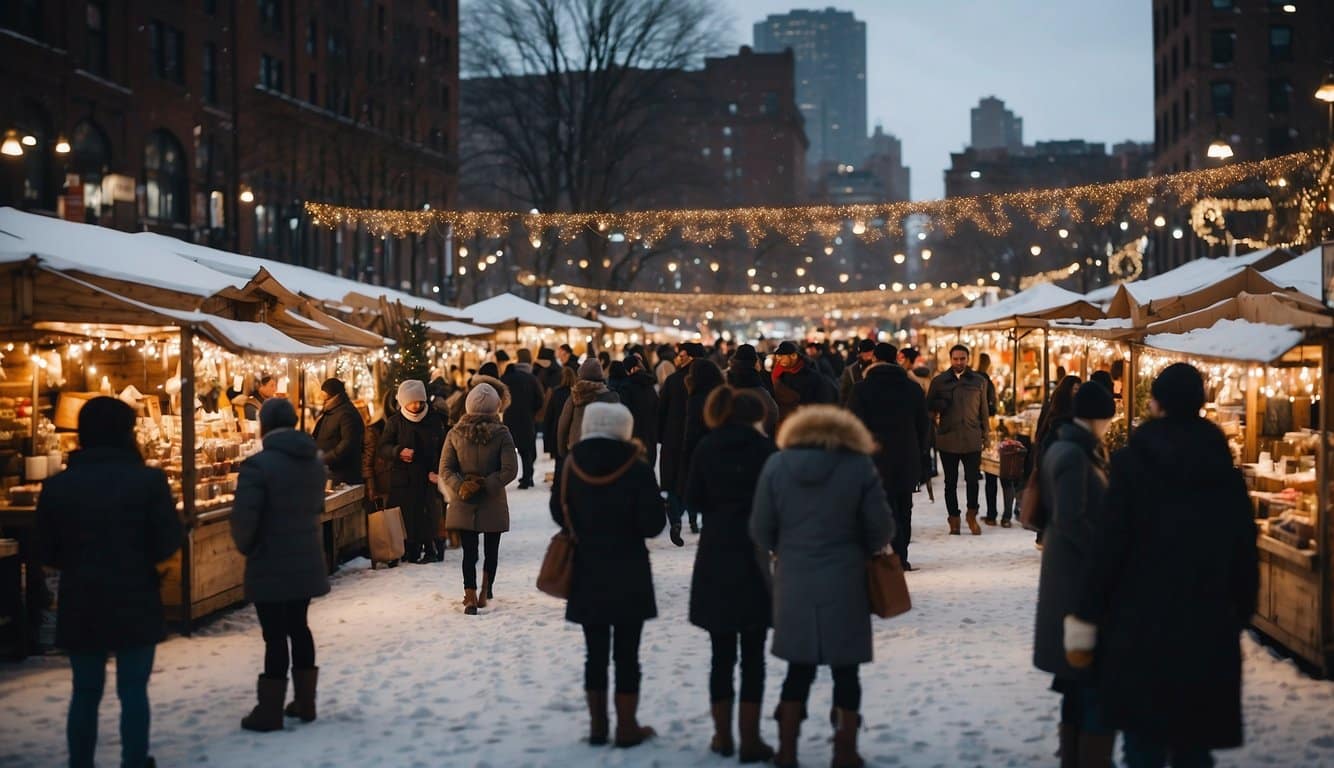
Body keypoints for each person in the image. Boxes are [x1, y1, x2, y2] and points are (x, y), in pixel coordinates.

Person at [1090, 364, 1258, 768]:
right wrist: (1238, 615)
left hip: (1139, 622)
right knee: (1193, 746)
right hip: (1205, 622)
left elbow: (1110, 546)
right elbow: (1243, 552)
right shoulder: (1223, 471)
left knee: (1143, 745)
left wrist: (1093, 610)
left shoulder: (1131, 465)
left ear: (1156, 402)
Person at [37, 396, 182, 767]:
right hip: (135, 594)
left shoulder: (58, 486)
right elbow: (167, 542)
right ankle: (134, 760)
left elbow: (46, 551)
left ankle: (80, 761)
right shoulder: (148, 481)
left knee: (84, 691)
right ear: (126, 432)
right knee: (133, 689)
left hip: (81, 597)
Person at [750, 405, 893, 768]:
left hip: (794, 577)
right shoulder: (859, 466)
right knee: (847, 668)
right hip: (845, 578)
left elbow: (761, 530)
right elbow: (881, 529)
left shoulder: (776, 466)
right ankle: (845, 750)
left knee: (798, 667)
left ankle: (787, 750)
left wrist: (787, 544)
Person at [550, 402, 667, 748]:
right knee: (627, 654)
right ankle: (627, 727)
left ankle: (598, 725)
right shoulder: (638, 466)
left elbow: (559, 510)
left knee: (595, 652)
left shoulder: (571, 463)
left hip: (587, 566)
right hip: (629, 566)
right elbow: (652, 525)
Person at [685, 388, 777, 762]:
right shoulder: (766, 451)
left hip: (716, 552)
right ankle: (750, 737)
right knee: (753, 655)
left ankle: (722, 735)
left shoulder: (707, 447)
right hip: (754, 553)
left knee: (720, 653)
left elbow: (692, 499)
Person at [231, 398, 331, 732]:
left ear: (264, 426)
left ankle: (269, 710)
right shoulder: (313, 462)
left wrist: (247, 546)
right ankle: (305, 702)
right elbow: (317, 505)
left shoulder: (257, 466)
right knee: (299, 626)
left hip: (270, 559)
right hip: (305, 556)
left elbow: (245, 520)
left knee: (274, 635)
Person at [1032, 381, 1117, 766]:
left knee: (1076, 678)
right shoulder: (1073, 454)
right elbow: (1070, 518)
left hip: (1070, 571)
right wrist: (1105, 554)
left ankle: (1072, 755)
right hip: (1076, 577)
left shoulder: (1070, 447)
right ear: (1099, 418)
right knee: (1088, 674)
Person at [439, 383, 518, 614]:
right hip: (493, 499)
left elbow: (445, 469)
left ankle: (469, 594)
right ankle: (485, 589)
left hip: (465, 501)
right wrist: (489, 483)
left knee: (469, 551)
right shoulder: (502, 433)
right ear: (496, 406)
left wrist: (462, 485)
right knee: (491, 549)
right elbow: (510, 469)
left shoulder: (455, 433)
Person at [850, 343, 929, 570]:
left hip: (873, 459)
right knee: (904, 507)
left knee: (879, 505)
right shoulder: (912, 389)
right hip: (906, 456)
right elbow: (924, 426)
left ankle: (884, 553)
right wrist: (920, 450)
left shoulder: (861, 389)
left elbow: (854, 426)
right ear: (896, 359)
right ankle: (901, 555)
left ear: (874, 359)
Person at [379, 380, 447, 564]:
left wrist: (438, 471)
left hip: (428, 476)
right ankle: (409, 550)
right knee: (406, 514)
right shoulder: (395, 422)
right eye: (412, 402)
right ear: (403, 402)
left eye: (420, 401)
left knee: (429, 514)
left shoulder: (434, 420)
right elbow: (383, 447)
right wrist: (398, 451)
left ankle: (431, 549)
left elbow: (443, 448)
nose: (416, 405)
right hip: (404, 478)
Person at [926, 345, 990, 536]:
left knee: (972, 480)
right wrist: (938, 410)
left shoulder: (978, 381)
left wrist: (986, 435)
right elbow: (928, 409)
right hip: (948, 439)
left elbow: (984, 411)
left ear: (968, 359)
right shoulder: (939, 382)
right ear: (950, 359)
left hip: (971, 438)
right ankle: (953, 518)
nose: (959, 362)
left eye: (962, 358)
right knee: (950, 482)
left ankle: (972, 515)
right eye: (956, 359)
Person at [675, 359, 724, 546]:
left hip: (700, 449)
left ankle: (695, 521)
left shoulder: (695, 397)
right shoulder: (722, 394)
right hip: (720, 449)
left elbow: (692, 428)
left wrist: (686, 454)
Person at [658, 342, 704, 536]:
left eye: (682, 354)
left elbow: (661, 411)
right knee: (692, 479)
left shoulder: (673, 380)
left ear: (691, 357)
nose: (678, 358)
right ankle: (693, 520)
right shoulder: (707, 381)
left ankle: (676, 519)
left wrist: (662, 436)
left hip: (674, 437)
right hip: (696, 438)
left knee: (675, 479)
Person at [558, 358, 621, 457]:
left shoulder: (575, 396)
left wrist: (562, 451)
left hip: (577, 448)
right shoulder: (611, 397)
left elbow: (563, 425)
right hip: (604, 449)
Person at [501, 348, 544, 489]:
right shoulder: (531, 378)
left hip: (510, 418)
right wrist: (533, 411)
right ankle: (528, 477)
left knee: (508, 448)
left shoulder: (506, 379)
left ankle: (503, 479)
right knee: (527, 450)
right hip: (527, 418)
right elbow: (540, 398)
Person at [311, 377, 365, 487]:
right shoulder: (330, 411)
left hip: (342, 474)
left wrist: (324, 458)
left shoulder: (346, 413)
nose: (321, 396)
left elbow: (347, 444)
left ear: (332, 394)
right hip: (330, 471)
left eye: (324, 393)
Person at [771, 341, 837, 426]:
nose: (779, 359)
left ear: (794, 356)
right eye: (778, 356)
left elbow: (823, 398)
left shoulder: (811, 375)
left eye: (782, 356)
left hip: (806, 421)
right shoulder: (777, 373)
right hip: (785, 422)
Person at [612, 354, 660, 470]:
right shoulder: (650, 385)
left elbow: (624, 411)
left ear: (631, 369)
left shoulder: (625, 387)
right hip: (650, 432)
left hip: (633, 432)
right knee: (649, 465)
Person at [976, 353, 1005, 526]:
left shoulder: (974, 379)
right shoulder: (986, 380)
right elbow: (992, 406)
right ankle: (993, 513)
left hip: (976, 429)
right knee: (991, 474)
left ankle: (991, 513)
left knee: (989, 474)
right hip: (988, 429)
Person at [725, 344, 779, 436]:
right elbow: (772, 414)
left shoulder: (725, 378)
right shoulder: (756, 384)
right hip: (755, 436)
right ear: (754, 362)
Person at [544, 366, 576, 465]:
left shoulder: (556, 393)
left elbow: (549, 416)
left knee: (559, 464)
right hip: (572, 432)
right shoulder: (576, 394)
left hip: (557, 431)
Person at [839, 339, 877, 406]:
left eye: (871, 352)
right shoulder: (850, 371)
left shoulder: (878, 368)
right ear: (860, 353)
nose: (869, 356)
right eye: (866, 352)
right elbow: (844, 395)